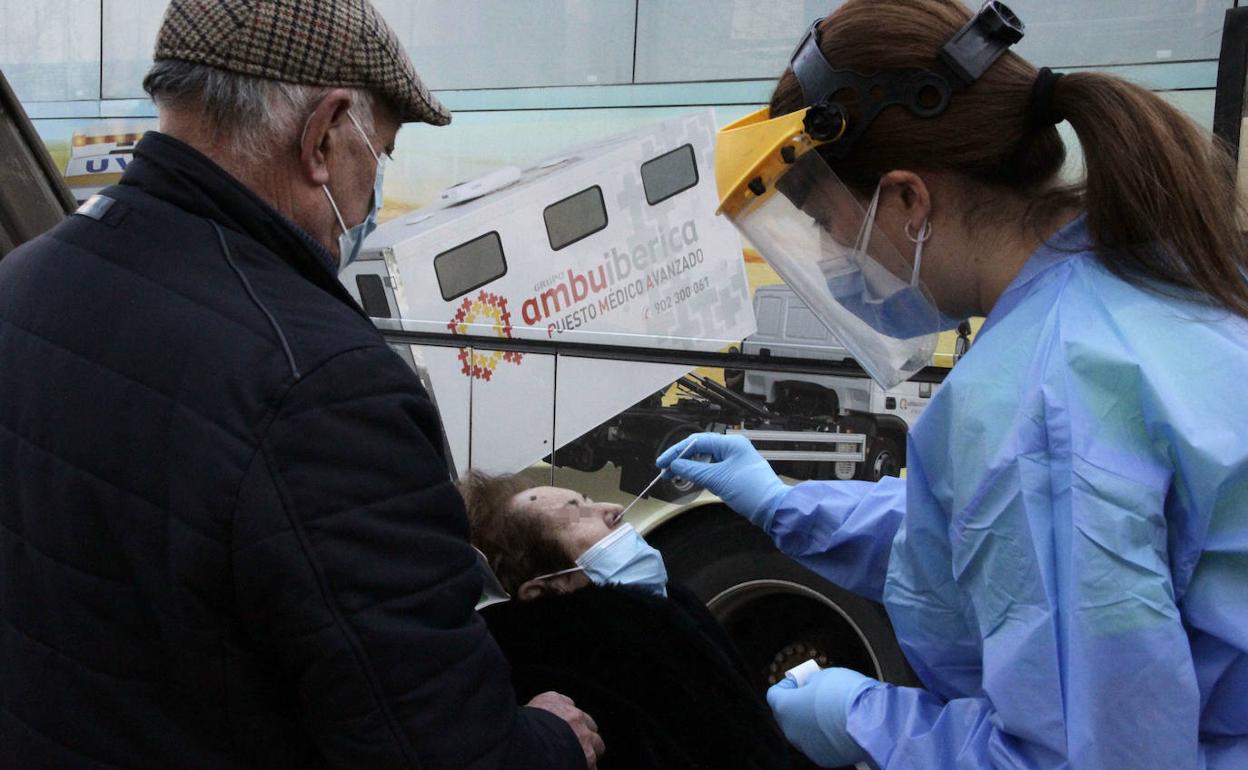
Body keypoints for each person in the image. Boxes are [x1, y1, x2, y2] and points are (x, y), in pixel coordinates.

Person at [0, 1, 601, 768]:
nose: (373, 195)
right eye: (379, 155)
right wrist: (553, 739)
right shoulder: (323, 384)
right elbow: (438, 747)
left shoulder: (22, 283)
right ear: (323, 136)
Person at [658, 0, 1248, 768]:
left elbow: (1085, 756)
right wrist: (790, 508)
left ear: (908, 200)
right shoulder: (1153, 273)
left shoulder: (1038, 397)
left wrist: (867, 720)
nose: (839, 261)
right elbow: (996, 542)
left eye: (835, 229)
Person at [458, 471, 795, 770]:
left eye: (587, 500)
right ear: (545, 587)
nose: (612, 508)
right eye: (576, 514)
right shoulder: (576, 678)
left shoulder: (663, 613)